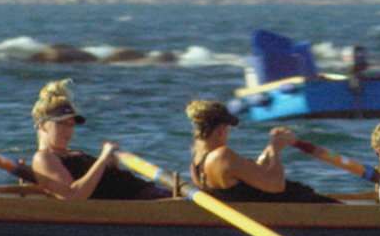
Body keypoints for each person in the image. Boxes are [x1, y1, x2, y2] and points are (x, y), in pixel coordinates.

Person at [18, 80, 167, 200]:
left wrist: (112, 165)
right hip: (140, 202)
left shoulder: (72, 154)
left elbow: (107, 184)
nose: (68, 130)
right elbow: (73, 196)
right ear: (42, 125)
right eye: (61, 124)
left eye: (71, 125)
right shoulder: (44, 158)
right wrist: (102, 159)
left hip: (145, 194)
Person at [186, 99, 337, 203]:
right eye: (227, 130)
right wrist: (275, 153)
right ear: (220, 130)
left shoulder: (196, 165)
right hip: (294, 206)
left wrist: (271, 147)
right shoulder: (221, 156)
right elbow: (277, 185)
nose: (228, 134)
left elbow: (253, 174)